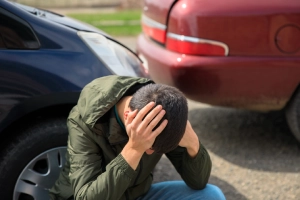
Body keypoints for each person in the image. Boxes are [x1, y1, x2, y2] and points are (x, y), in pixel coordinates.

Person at [49, 75, 225, 200]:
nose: (150, 153)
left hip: (136, 195)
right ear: (129, 116)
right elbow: (86, 197)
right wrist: (134, 149)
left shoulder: (165, 112)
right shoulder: (85, 120)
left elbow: (198, 183)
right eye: (149, 146)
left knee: (211, 195)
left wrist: (193, 144)